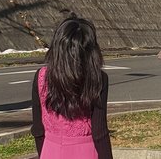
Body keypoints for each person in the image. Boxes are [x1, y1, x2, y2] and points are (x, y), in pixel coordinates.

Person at [31, 12, 113, 158]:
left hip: (51, 150)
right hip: (86, 151)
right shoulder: (98, 79)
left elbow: (38, 130)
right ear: (91, 51)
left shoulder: (41, 77)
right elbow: (100, 133)